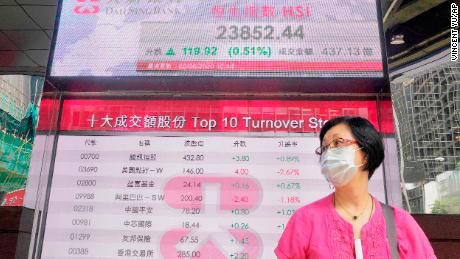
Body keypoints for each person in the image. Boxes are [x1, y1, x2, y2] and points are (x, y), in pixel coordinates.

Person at [275, 116, 436, 259]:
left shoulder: (400, 221)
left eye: (338, 142)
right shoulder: (305, 219)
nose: (329, 152)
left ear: (365, 153)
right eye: (324, 148)